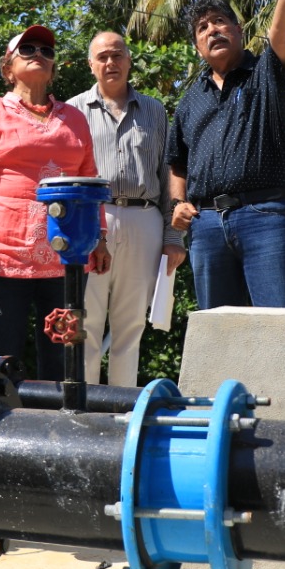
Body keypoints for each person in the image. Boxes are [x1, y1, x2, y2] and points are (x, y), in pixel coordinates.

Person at [0, 24, 109, 380]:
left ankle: (62, 426)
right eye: (28, 49)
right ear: (7, 68)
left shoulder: (74, 118)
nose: (39, 55)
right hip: (3, 254)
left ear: (52, 69)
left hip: (67, 254)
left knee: (65, 352)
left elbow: (89, 181)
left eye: (46, 52)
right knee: (1, 355)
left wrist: (100, 235)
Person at [167, 0, 285, 310]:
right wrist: (178, 203)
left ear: (238, 29)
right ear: (197, 46)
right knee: (218, 335)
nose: (212, 30)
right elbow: (176, 163)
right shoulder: (188, 101)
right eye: (202, 28)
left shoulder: (266, 74)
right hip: (206, 227)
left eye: (220, 21)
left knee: (279, 328)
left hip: (266, 217)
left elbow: (281, 35)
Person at [67, 31, 185, 386]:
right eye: (102, 57)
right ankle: (84, 412)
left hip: (143, 219)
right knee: (84, 321)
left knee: (130, 325)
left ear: (129, 61)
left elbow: (169, 176)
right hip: (91, 220)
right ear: (91, 65)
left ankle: (122, 412)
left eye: (117, 55)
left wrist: (173, 235)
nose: (110, 63)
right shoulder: (72, 111)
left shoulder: (154, 110)